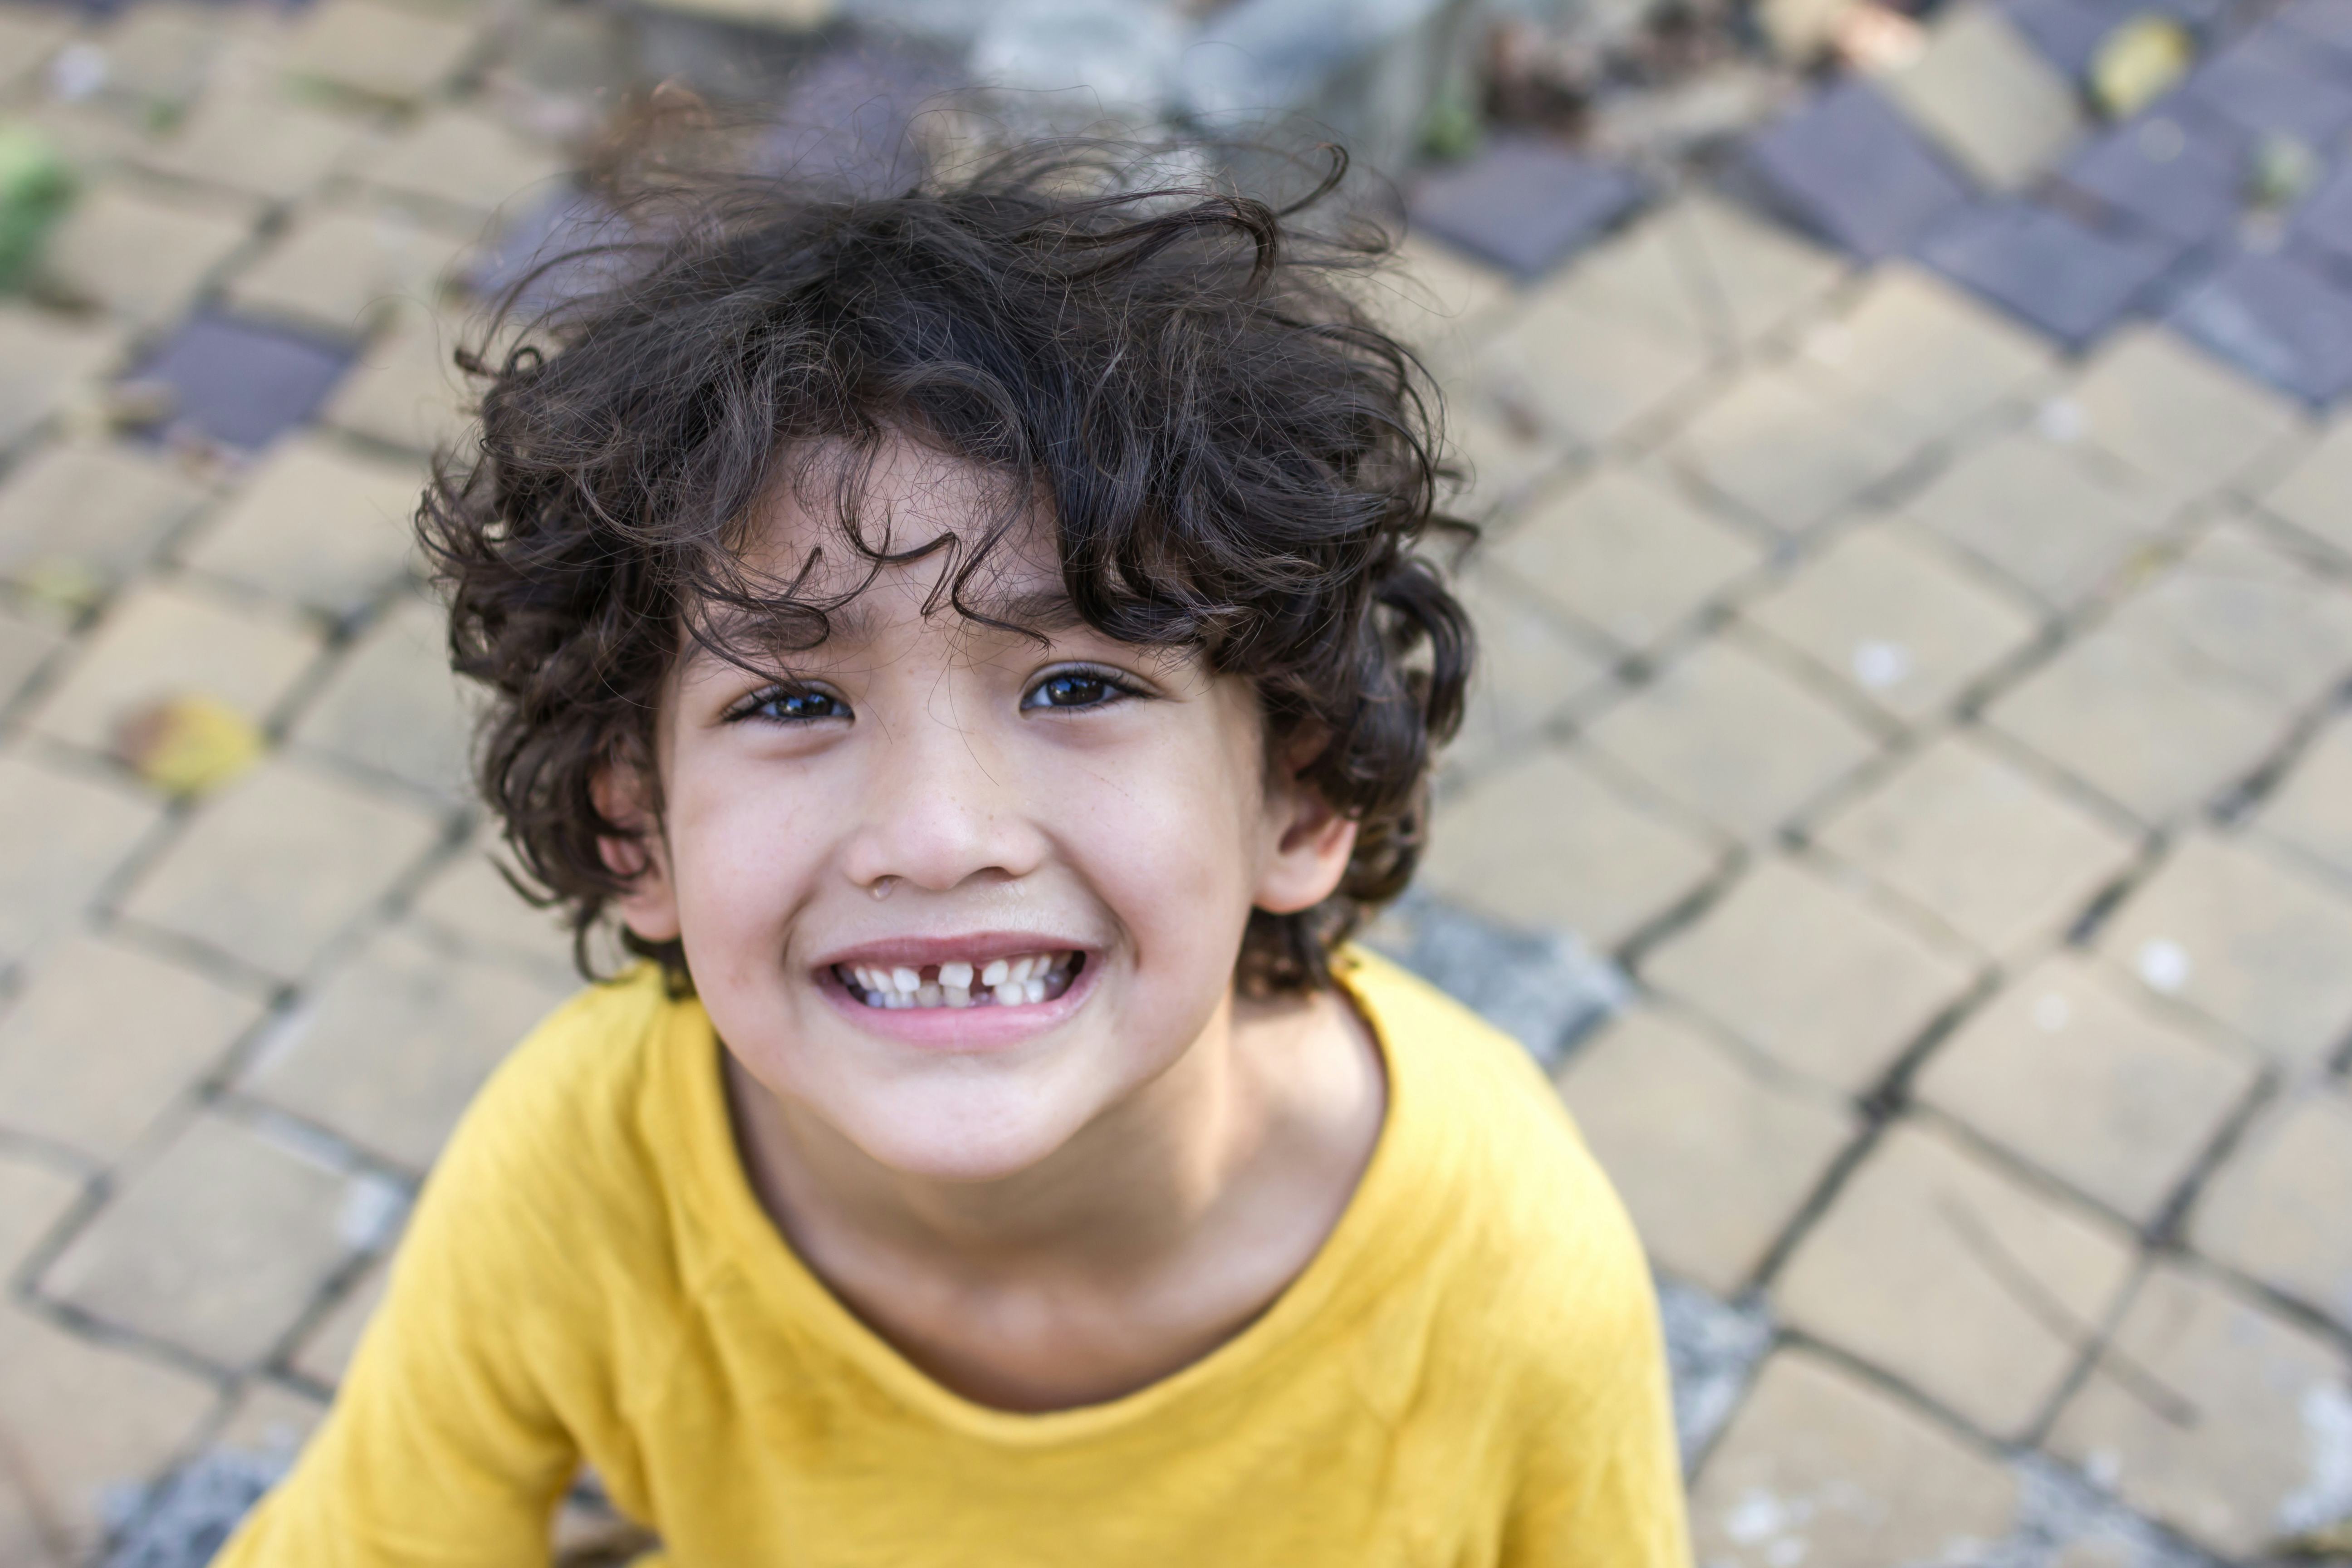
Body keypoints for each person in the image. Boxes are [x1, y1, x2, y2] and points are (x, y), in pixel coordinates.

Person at [216, 137, 1691, 1566]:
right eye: (792, 700)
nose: (936, 837)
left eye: (1080, 685)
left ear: (1299, 796)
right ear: (635, 823)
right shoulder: (585, 1172)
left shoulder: (1507, 1266)